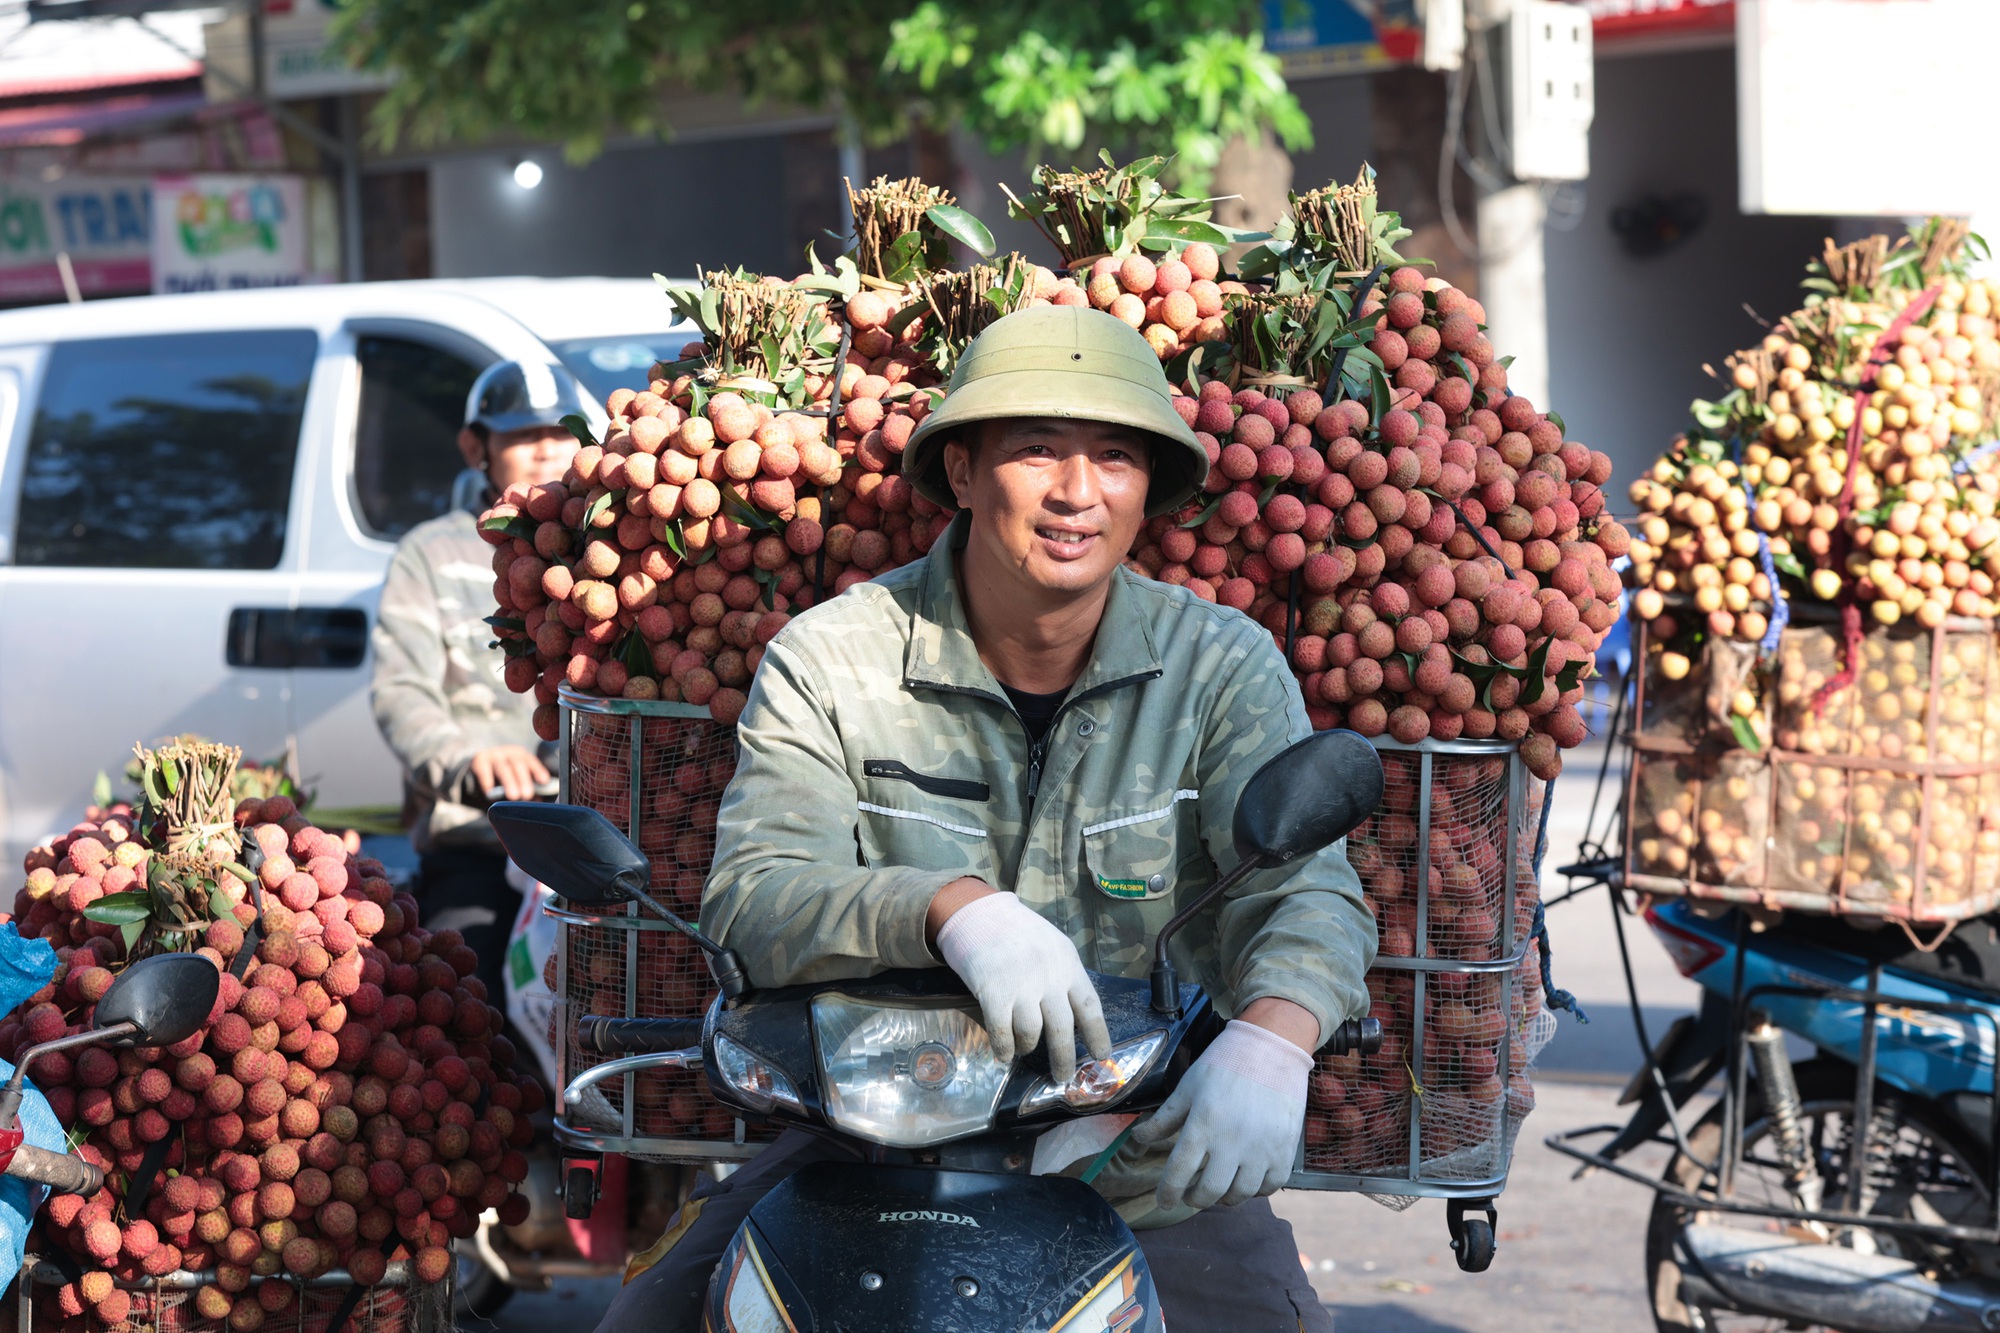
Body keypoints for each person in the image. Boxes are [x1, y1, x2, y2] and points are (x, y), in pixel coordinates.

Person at [602, 306, 1376, 1332]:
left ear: (1148, 488)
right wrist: (948, 908)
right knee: (650, 1318)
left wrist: (1273, 1039)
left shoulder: (1217, 666)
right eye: (1035, 452)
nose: (1075, 492)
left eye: (1112, 457)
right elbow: (754, 892)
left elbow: (1305, 887)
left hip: (1127, 1150)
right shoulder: (834, 659)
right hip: (869, 1145)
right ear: (961, 474)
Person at [371, 359, 585, 1004]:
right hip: (478, 841)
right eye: (522, 434)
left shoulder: (611, 548)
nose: (546, 447)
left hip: (592, 845)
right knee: (459, 994)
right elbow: (400, 692)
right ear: (477, 447)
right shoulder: (429, 555)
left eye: (559, 430)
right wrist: (467, 762)